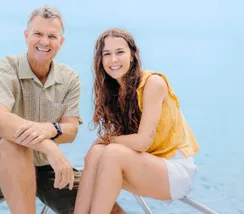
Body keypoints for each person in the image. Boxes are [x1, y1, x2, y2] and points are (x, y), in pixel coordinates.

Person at [0, 5, 125, 214]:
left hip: (46, 169)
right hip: (2, 166)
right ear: (27, 36)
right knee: (15, 145)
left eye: (52, 36)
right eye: (38, 34)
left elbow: (70, 130)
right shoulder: (4, 69)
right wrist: (48, 145)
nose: (44, 42)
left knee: (108, 209)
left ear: (60, 42)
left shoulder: (69, 78)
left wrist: (51, 129)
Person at [74, 28, 201, 214]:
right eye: (106, 54)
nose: (113, 60)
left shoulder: (153, 83)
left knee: (112, 152)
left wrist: (108, 139)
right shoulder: (115, 91)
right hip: (146, 166)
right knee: (96, 153)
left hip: (174, 171)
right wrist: (103, 143)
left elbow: (142, 142)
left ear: (132, 55)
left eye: (120, 52)